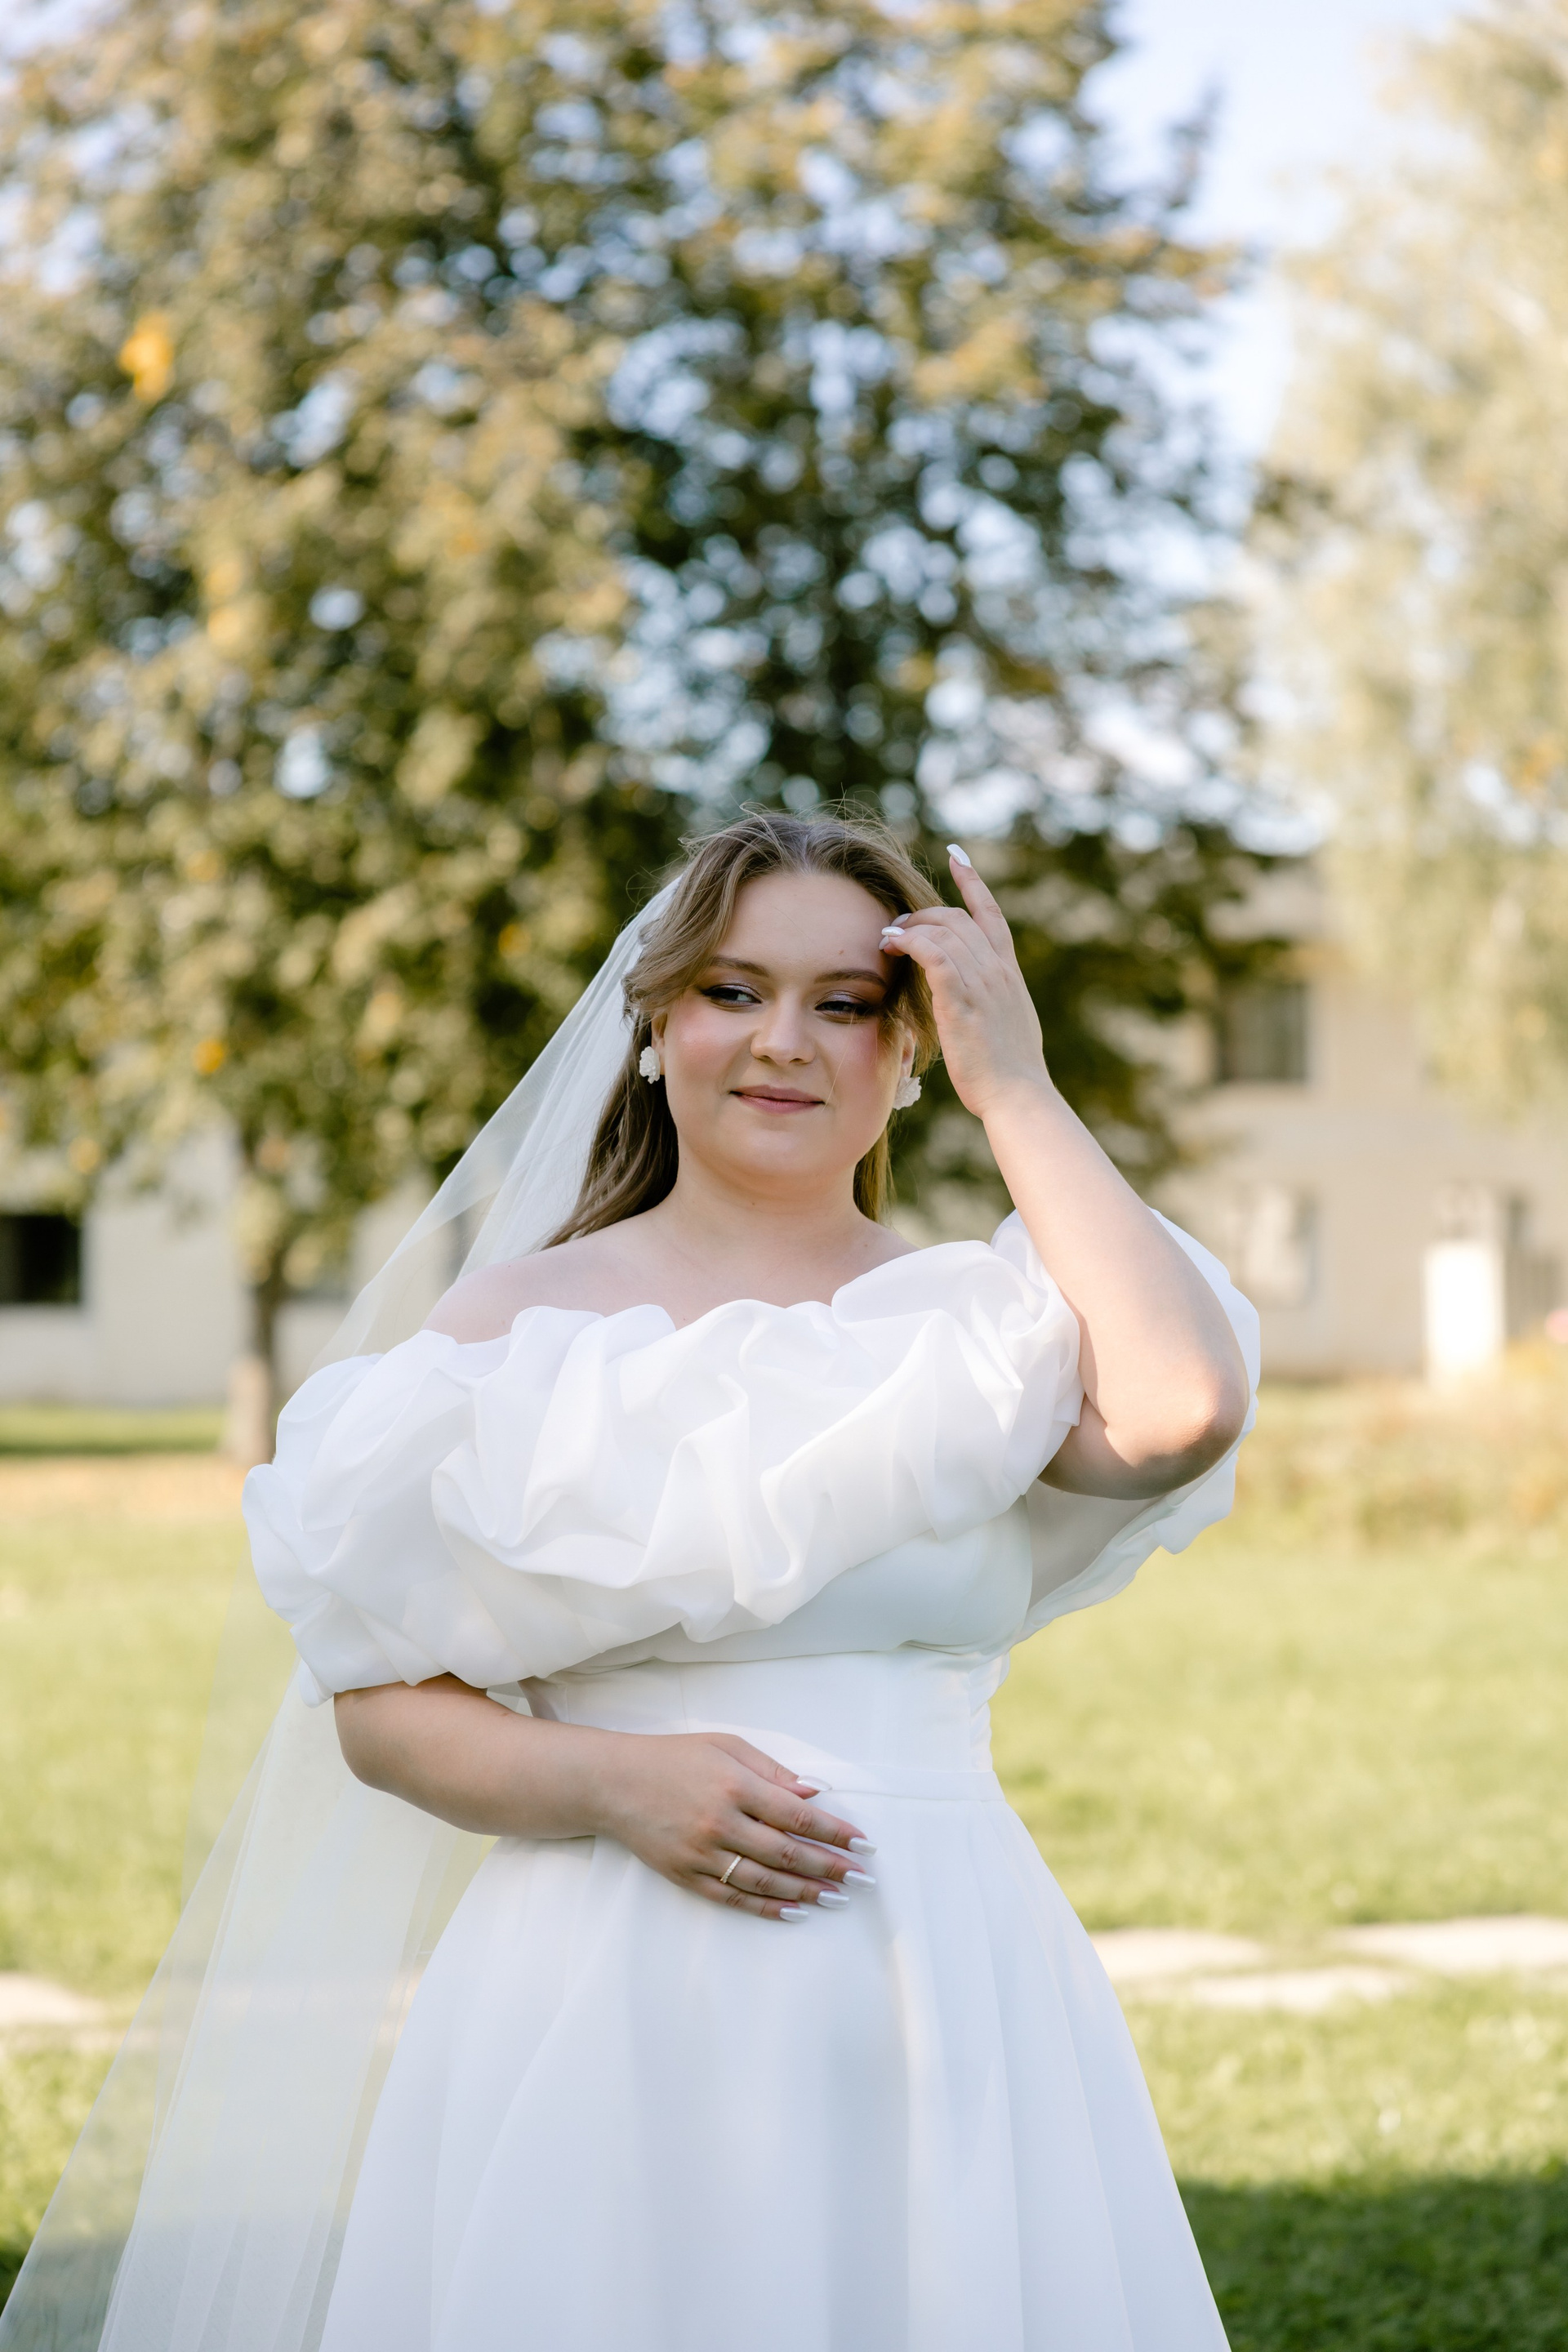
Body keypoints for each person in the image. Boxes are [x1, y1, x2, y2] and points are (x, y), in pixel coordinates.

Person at [0, 812, 1257, 2352]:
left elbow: (1186, 1405)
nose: (783, 1041)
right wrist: (612, 1782)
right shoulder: (512, 1332)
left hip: (943, 1975)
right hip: (606, 1984)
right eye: (733, 991)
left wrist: (1023, 1089)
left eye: (846, 1003)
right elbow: (380, 1713)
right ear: (655, 1026)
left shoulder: (984, 1332)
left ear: (909, 1050)